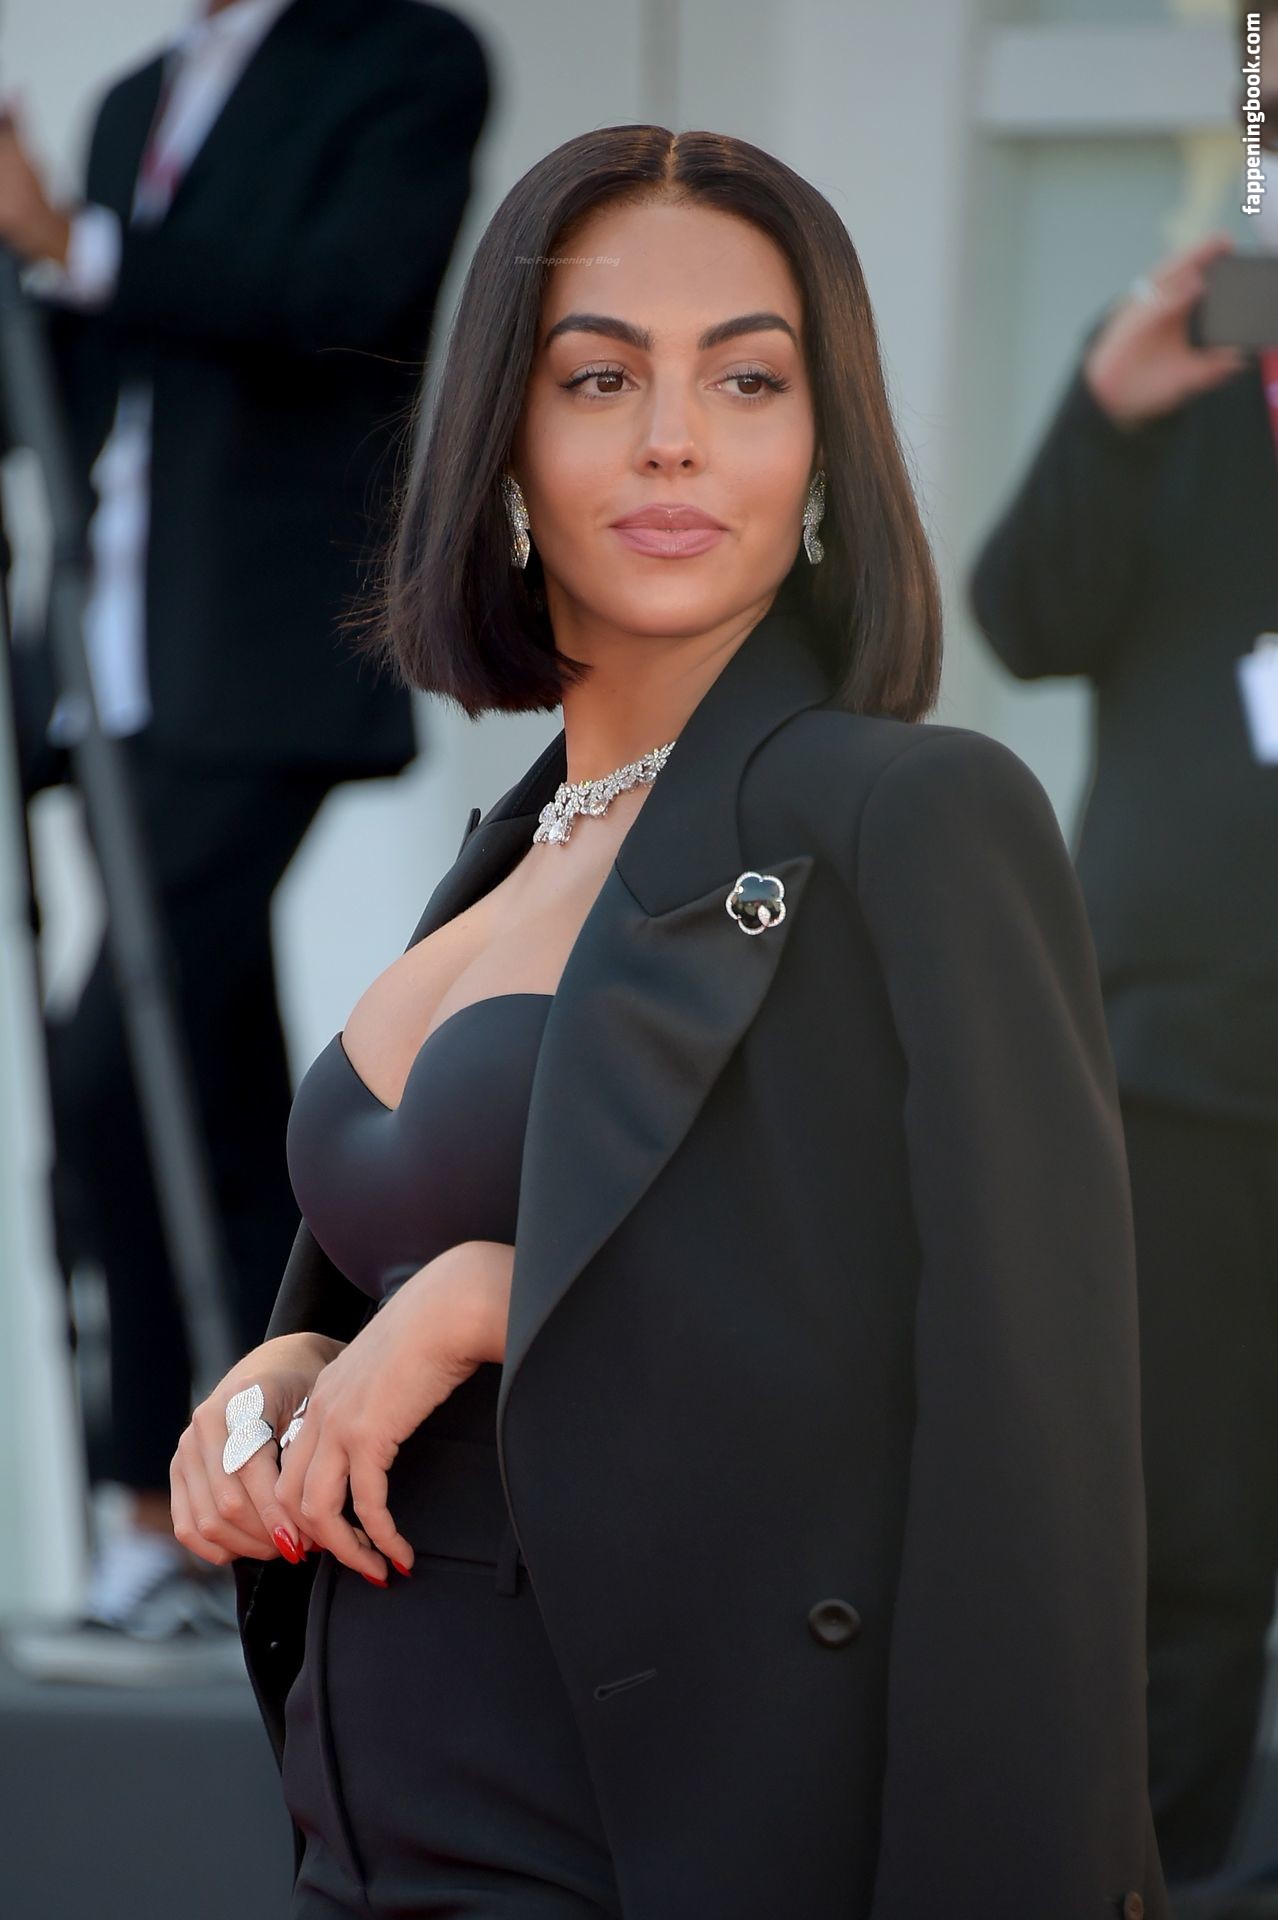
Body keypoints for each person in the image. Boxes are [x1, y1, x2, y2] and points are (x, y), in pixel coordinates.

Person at [170, 123, 1167, 1918]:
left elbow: (1023, 1428)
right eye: (600, 376)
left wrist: (491, 1296)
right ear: (502, 444)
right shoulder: (510, 846)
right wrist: (305, 1357)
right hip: (363, 1826)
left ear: (823, 450)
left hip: (650, 1843)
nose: (673, 437)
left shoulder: (909, 815)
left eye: (748, 378)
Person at [0, 0, 489, 1668]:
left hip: (261, 652)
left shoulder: (404, 58)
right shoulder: (139, 90)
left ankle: (162, 1514)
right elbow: (84, 367)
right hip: (113, 658)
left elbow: (346, 305)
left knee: (111, 1071)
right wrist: (42, 267)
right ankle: (266, 1487)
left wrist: (80, 243)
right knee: (206, 1084)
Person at [967, 7, 1278, 1890]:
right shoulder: (1177, 375)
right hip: (1172, 1035)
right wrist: (1109, 404)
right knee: (1177, 1523)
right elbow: (1021, 615)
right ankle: (1161, 1878)